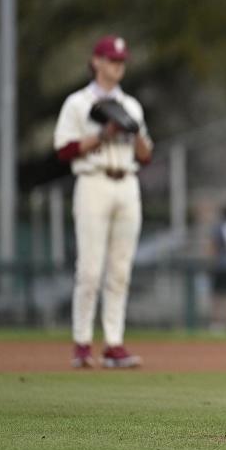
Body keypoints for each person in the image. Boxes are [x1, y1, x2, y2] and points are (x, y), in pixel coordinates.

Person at [53, 35, 152, 369]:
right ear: (96, 61)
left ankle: (113, 344)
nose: (117, 66)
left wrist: (133, 131)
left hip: (127, 181)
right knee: (90, 270)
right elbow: (64, 150)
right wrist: (102, 135)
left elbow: (146, 155)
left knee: (120, 269)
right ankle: (82, 344)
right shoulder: (78, 103)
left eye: (121, 61)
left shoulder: (132, 105)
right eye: (111, 60)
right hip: (93, 180)